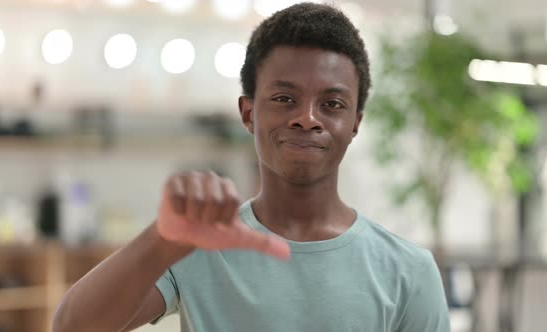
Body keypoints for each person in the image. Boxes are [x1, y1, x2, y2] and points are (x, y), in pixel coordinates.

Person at [52, 2, 450, 332]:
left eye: (332, 104)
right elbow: (70, 327)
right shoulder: (197, 246)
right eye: (284, 98)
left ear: (355, 123)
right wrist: (160, 243)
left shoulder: (409, 272)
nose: (307, 118)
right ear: (248, 113)